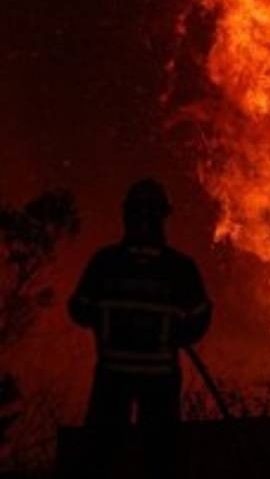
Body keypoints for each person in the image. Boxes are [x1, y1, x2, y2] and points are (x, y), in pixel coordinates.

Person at [68, 179, 211, 475]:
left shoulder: (105, 262)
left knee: (104, 453)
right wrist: (177, 335)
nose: (144, 220)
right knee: (158, 455)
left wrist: (105, 323)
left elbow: (79, 309)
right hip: (157, 378)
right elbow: (200, 317)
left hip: (114, 376)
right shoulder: (179, 268)